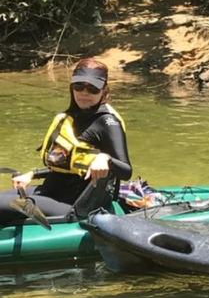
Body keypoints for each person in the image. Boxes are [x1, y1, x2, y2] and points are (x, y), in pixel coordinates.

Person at [0, 58, 132, 225]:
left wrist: (106, 158)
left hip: (74, 204)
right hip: (51, 191)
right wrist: (33, 174)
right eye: (79, 86)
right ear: (72, 88)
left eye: (93, 88)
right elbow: (70, 166)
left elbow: (126, 171)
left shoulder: (107, 122)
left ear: (104, 91)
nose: (84, 93)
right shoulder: (70, 118)